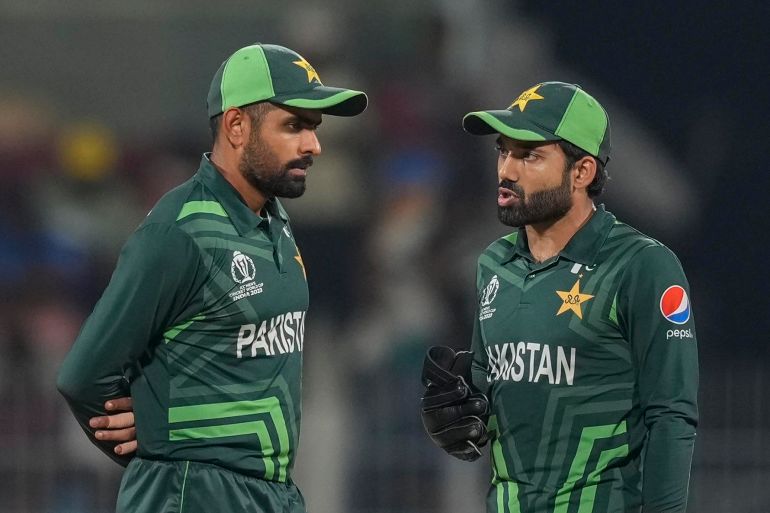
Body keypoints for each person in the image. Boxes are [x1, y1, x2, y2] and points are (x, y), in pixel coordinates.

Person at [57, 43, 367, 512]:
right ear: (237, 126)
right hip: (190, 495)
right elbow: (83, 375)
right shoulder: (181, 229)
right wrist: (157, 445)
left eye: (315, 128)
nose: (313, 144)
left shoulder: (275, 224)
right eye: (294, 126)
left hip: (271, 492)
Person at [420, 81, 698, 513]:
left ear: (582, 172)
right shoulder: (493, 263)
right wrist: (458, 417)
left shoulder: (643, 266)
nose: (506, 171)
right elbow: (486, 401)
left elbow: (670, 416)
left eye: (529, 155)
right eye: (503, 151)